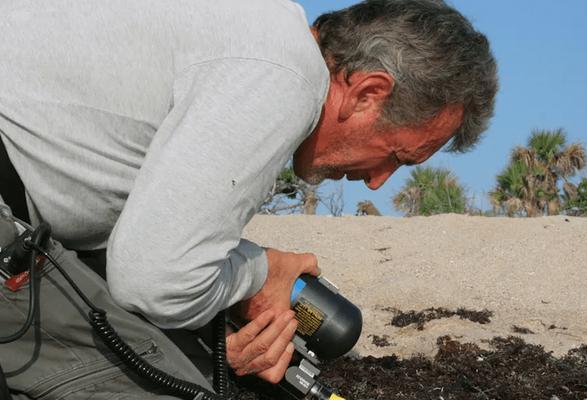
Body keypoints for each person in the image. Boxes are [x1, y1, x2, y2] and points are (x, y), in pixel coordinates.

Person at [0, 0, 497, 398]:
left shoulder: (252, 33)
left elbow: (131, 252)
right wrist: (260, 275)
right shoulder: (285, 77)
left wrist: (220, 349)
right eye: (396, 156)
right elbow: (152, 282)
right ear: (367, 92)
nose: (377, 183)